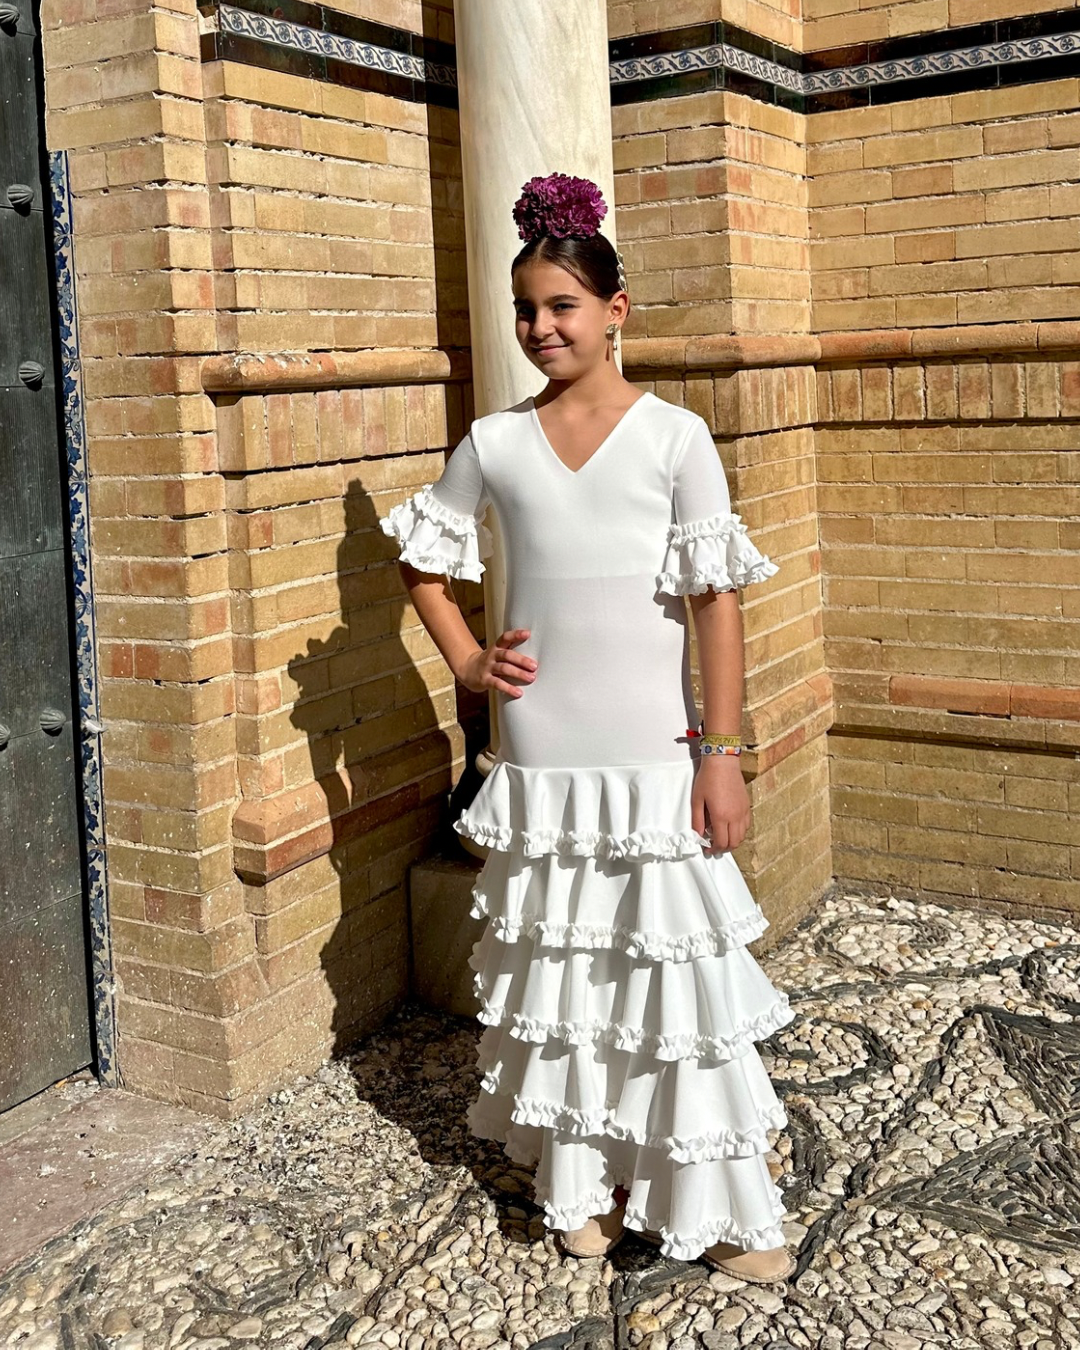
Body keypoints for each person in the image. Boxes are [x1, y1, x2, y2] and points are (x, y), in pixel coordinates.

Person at [380, 172, 797, 1284]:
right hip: (545, 756)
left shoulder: (676, 438)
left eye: (561, 305)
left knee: (675, 980)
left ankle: (719, 1203)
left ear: (617, 309)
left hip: (659, 755)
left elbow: (717, 602)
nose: (540, 328)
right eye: (525, 309)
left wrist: (723, 756)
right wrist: (469, 661)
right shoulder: (494, 443)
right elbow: (423, 566)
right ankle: (584, 1181)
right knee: (570, 981)